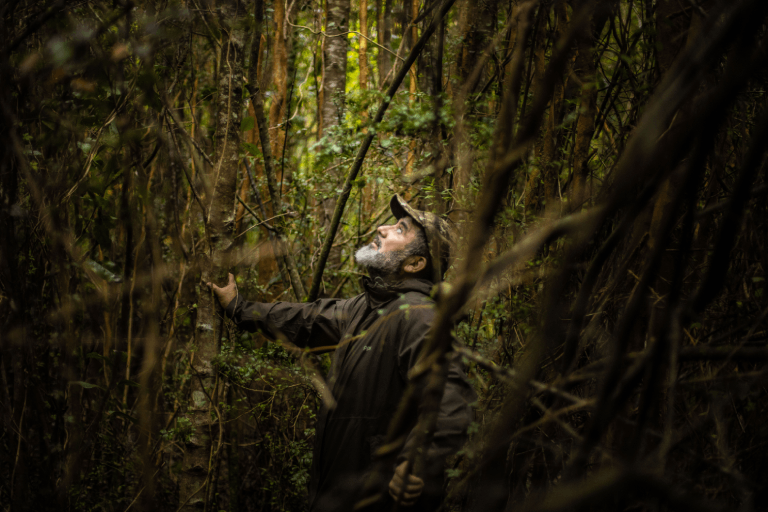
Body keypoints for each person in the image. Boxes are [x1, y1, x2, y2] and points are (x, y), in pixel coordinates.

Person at [208, 194, 476, 512]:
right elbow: (304, 320)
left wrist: (414, 464)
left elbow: (449, 404)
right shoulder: (365, 307)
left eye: (399, 229)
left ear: (415, 264)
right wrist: (239, 308)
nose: (382, 228)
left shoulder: (421, 318)